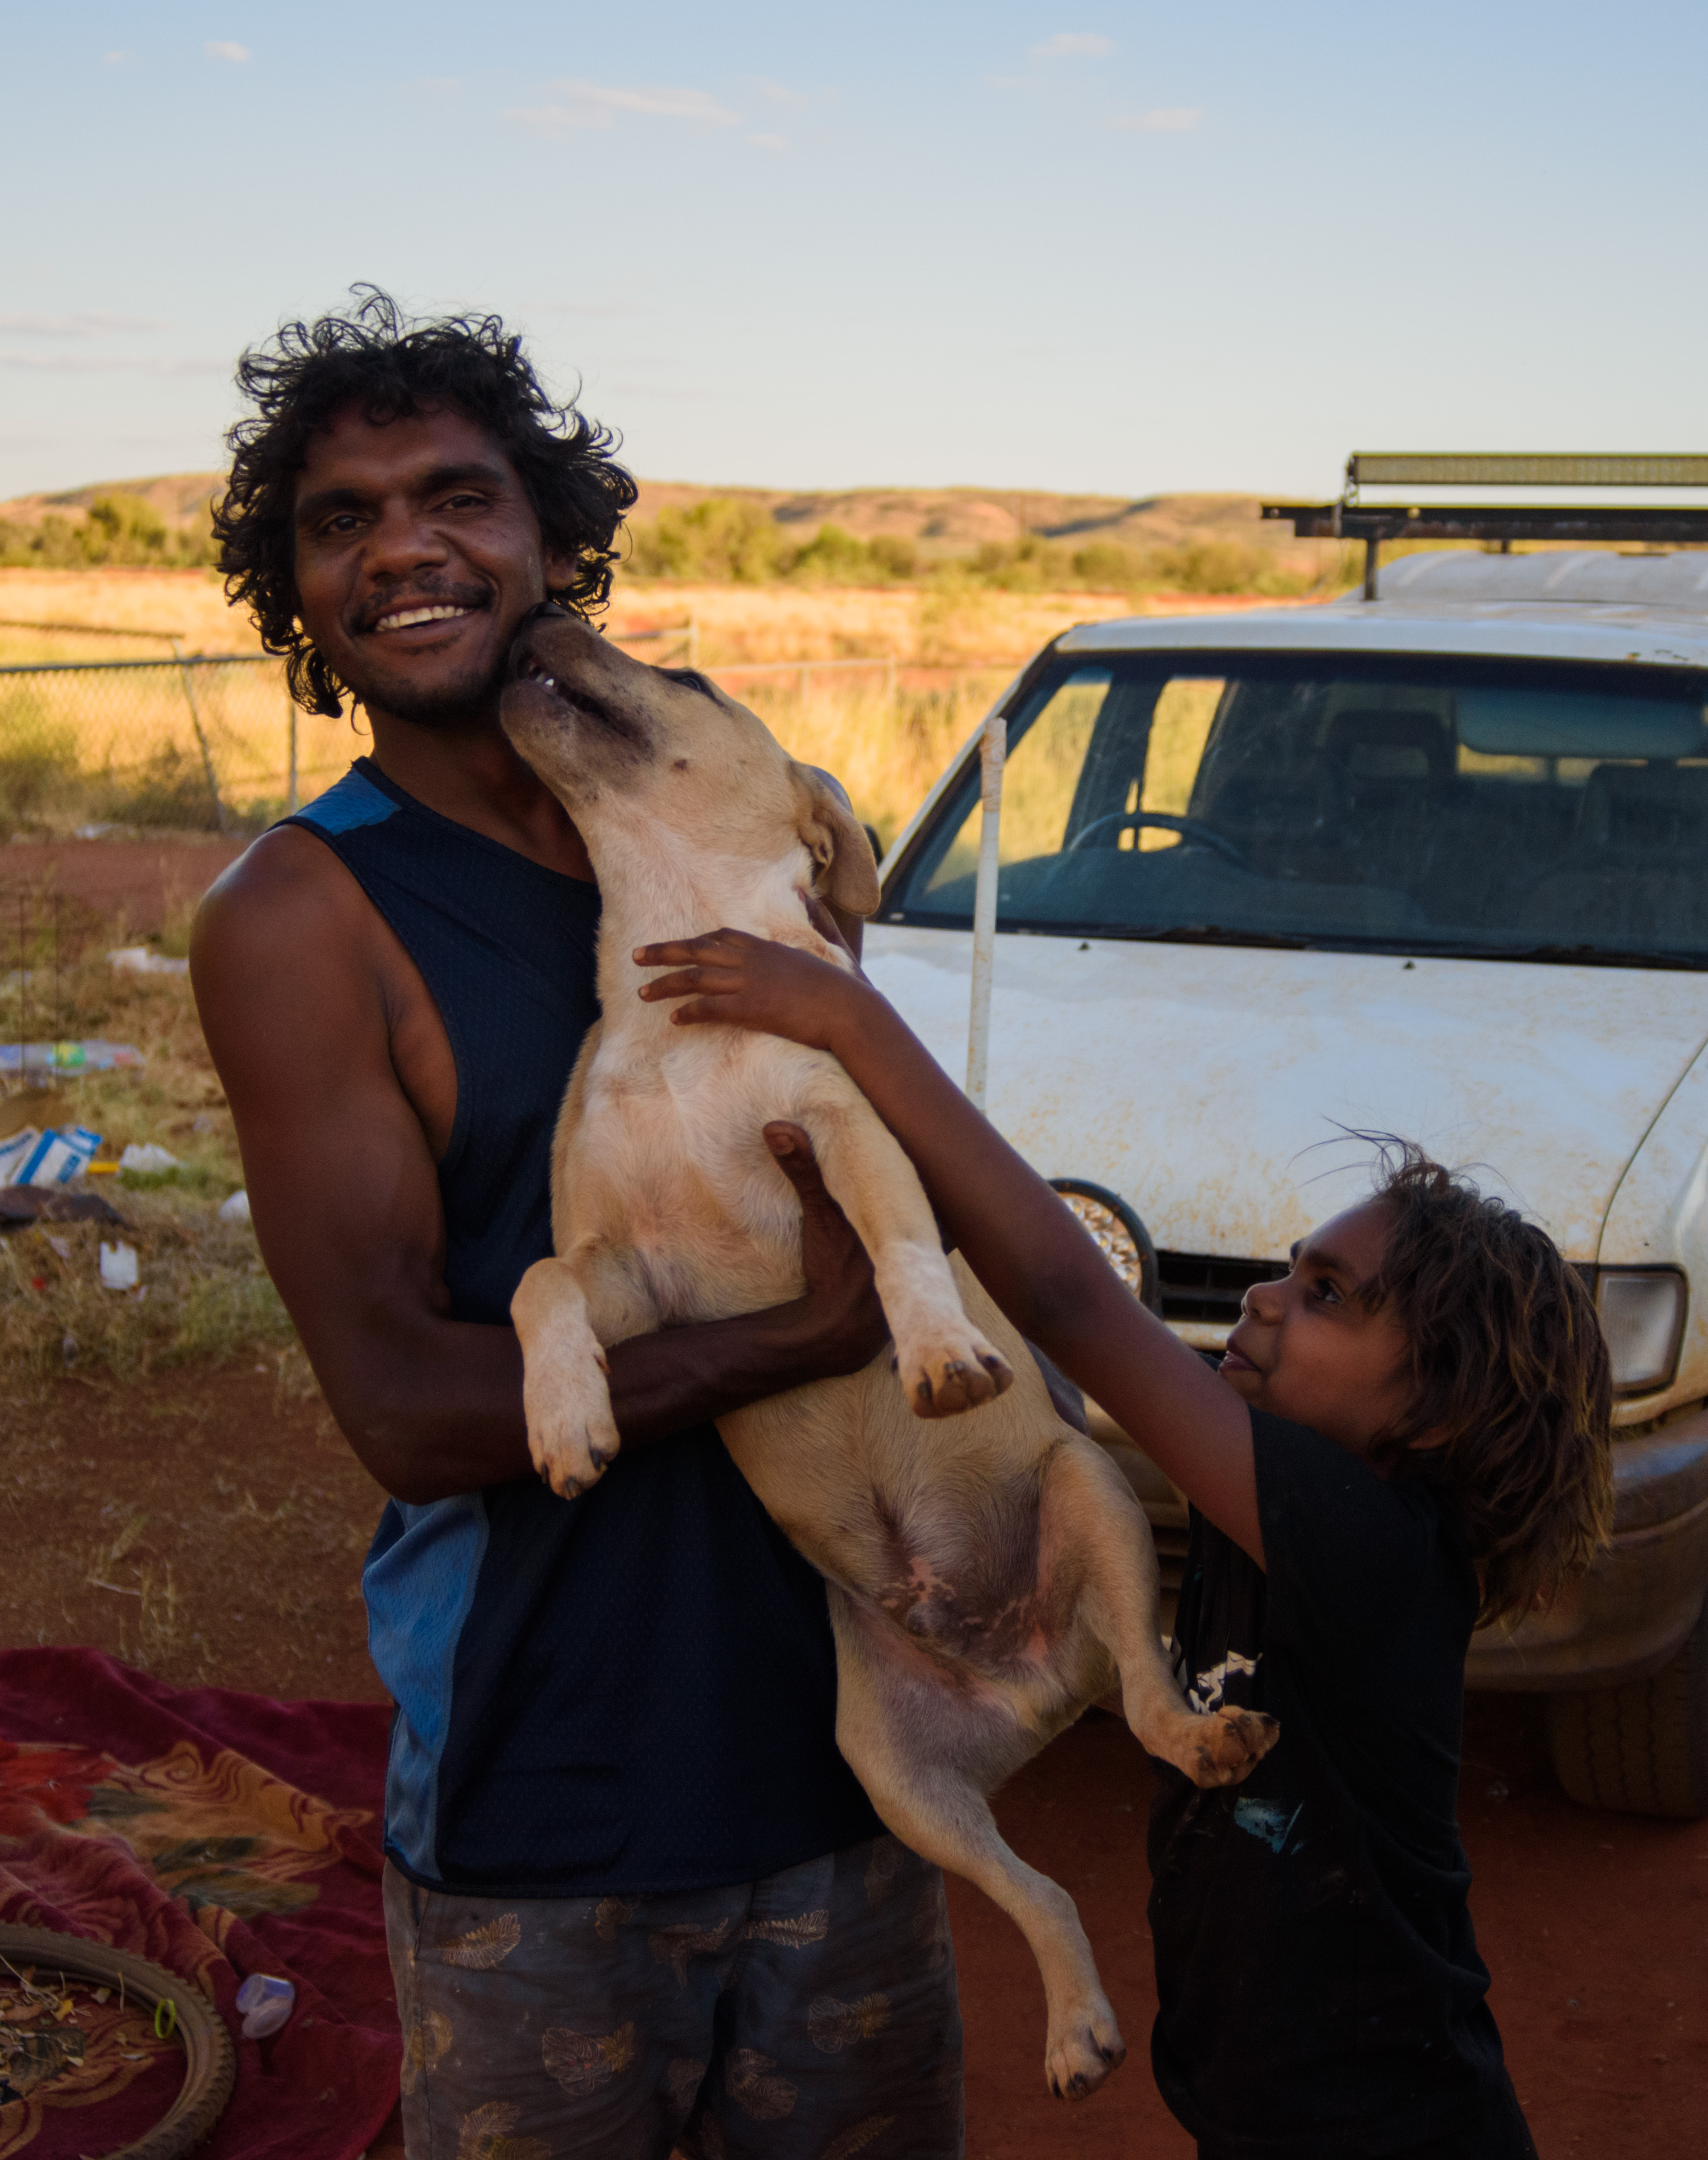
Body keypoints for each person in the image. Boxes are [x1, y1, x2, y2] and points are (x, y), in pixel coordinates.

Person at [189, 290, 964, 2159]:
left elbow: (873, 1169)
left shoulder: (719, 830)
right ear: (297, 596)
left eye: (454, 495)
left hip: (847, 1749)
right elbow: (406, 1404)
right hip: (552, 1804)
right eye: (338, 519)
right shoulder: (303, 918)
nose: (401, 548)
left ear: (551, 538)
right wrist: (792, 1339)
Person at [624, 925, 1618, 2160]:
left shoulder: (1366, 1546)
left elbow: (1067, 1297)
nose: (1263, 1297)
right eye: (1287, 1272)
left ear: (1437, 1409)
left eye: (1323, 1296)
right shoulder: (1281, 1526)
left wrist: (848, 1020)